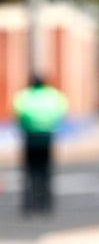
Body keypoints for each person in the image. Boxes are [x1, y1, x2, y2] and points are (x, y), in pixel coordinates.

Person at [13, 75, 68, 215]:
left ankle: (29, 204)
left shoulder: (25, 95)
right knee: (45, 171)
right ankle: (45, 203)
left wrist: (25, 125)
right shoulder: (52, 95)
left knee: (30, 171)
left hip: (30, 136)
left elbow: (18, 113)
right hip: (46, 136)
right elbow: (60, 111)